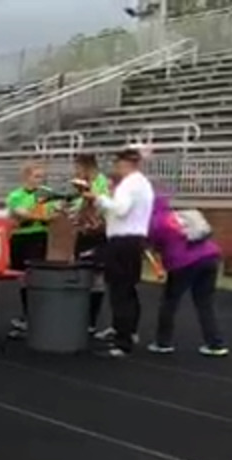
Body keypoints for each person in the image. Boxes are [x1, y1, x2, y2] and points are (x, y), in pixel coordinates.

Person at [84, 147, 155, 357]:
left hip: (122, 241)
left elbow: (121, 209)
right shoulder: (143, 184)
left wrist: (98, 198)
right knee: (128, 289)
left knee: (120, 290)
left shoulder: (129, 184)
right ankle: (128, 331)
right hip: (134, 240)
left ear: (125, 164)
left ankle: (122, 341)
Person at [145, 193, 227, 356]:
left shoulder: (156, 222)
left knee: (170, 302)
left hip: (183, 263)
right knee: (205, 303)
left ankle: (163, 342)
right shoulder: (179, 216)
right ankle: (215, 344)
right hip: (210, 256)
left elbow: (152, 245)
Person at [4, 162, 54, 338]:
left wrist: (35, 216)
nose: (40, 180)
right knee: (23, 278)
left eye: (42, 177)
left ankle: (37, 317)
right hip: (20, 239)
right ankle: (28, 316)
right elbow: (20, 214)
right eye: (36, 176)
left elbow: (50, 215)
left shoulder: (46, 193)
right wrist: (36, 215)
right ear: (26, 177)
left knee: (35, 276)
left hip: (37, 237)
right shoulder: (15, 196)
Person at [70, 154, 112, 334]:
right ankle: (80, 315)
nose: (76, 171)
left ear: (87, 167)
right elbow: (78, 206)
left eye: (78, 167)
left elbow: (103, 207)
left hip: (98, 235)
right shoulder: (81, 184)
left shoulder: (102, 183)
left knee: (96, 276)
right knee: (81, 272)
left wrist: (88, 201)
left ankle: (91, 320)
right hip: (84, 234)